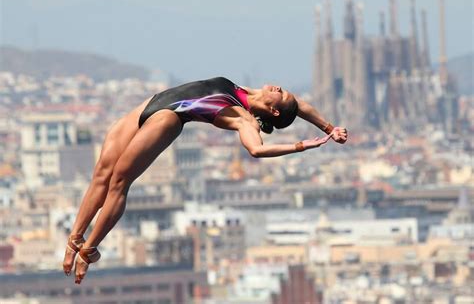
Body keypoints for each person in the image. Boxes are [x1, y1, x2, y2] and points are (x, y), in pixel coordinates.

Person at [63, 76, 347, 284]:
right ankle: (75, 238)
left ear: (273, 112)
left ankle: (90, 250)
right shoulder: (246, 90)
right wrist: (330, 127)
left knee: (119, 181)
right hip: (147, 106)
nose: (280, 88)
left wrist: (300, 146)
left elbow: (256, 149)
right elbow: (300, 107)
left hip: (167, 117)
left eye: (282, 94)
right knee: (102, 173)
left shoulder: (243, 119)